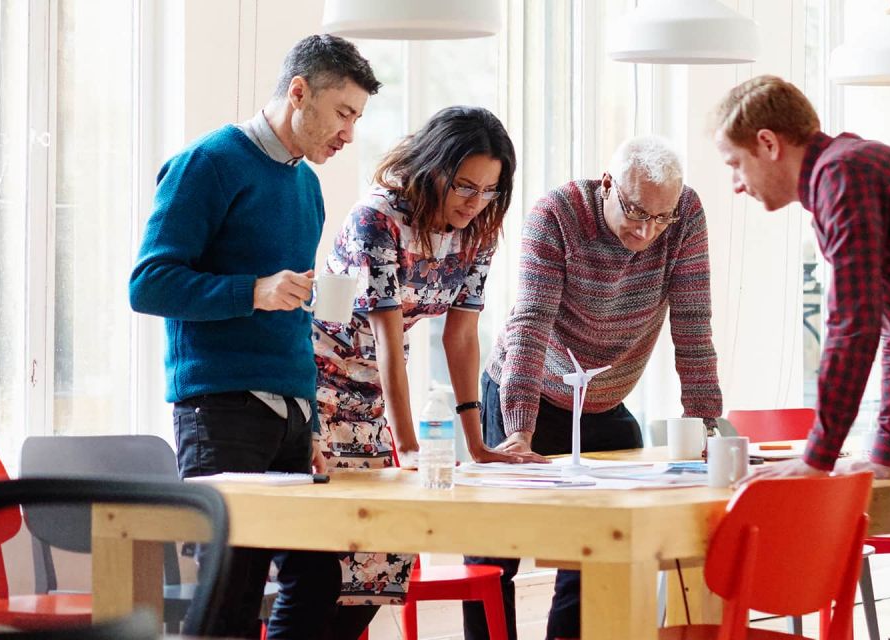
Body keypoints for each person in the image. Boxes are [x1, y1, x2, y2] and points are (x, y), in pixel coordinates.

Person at [716, 75, 890, 637]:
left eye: (734, 164)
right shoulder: (854, 171)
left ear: (768, 143)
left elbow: (853, 323)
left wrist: (819, 456)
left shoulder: (844, 175)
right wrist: (887, 450)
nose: (737, 186)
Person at [129, 34, 380, 639]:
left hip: (289, 418)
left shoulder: (306, 187)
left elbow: (292, 315)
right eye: (343, 113)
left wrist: (308, 420)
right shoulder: (208, 163)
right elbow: (149, 284)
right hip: (221, 412)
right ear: (299, 92)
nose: (349, 134)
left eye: (357, 118)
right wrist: (253, 290)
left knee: (322, 584)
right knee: (232, 594)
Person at [460, 135, 726, 640]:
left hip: (604, 399)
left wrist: (708, 425)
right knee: (496, 548)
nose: (647, 230)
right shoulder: (557, 215)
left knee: (599, 548)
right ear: (607, 184)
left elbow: (693, 327)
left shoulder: (685, 214)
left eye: (659, 217)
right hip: (528, 387)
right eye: (634, 211)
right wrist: (519, 430)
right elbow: (532, 324)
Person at [310, 105, 531, 631]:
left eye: (489, 191)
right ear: (433, 169)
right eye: (464, 187)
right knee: (327, 562)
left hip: (374, 391)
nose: (475, 202)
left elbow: (460, 335)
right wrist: (406, 445)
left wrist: (475, 443)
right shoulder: (377, 218)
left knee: (384, 560)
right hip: (315, 383)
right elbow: (385, 336)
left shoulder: (479, 232)